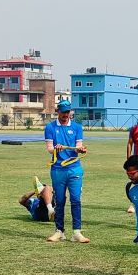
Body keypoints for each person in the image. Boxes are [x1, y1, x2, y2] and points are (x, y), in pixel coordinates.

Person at [43, 99, 89, 243]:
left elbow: (78, 146)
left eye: (67, 112)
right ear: (58, 111)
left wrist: (80, 149)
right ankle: (59, 231)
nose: (65, 115)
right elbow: (49, 148)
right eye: (63, 112)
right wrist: (56, 149)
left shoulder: (77, 127)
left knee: (75, 200)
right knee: (60, 200)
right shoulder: (50, 127)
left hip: (74, 168)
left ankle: (77, 232)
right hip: (58, 169)